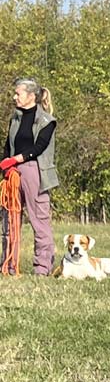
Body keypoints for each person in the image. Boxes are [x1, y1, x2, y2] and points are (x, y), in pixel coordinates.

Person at [1, 78, 59, 277]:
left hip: (35, 171)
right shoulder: (15, 119)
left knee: (39, 221)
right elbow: (8, 145)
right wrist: (6, 166)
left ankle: (42, 267)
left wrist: (17, 159)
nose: (14, 97)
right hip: (13, 172)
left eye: (18, 93)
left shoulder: (46, 121)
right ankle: (8, 265)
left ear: (31, 96)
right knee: (10, 220)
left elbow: (39, 146)